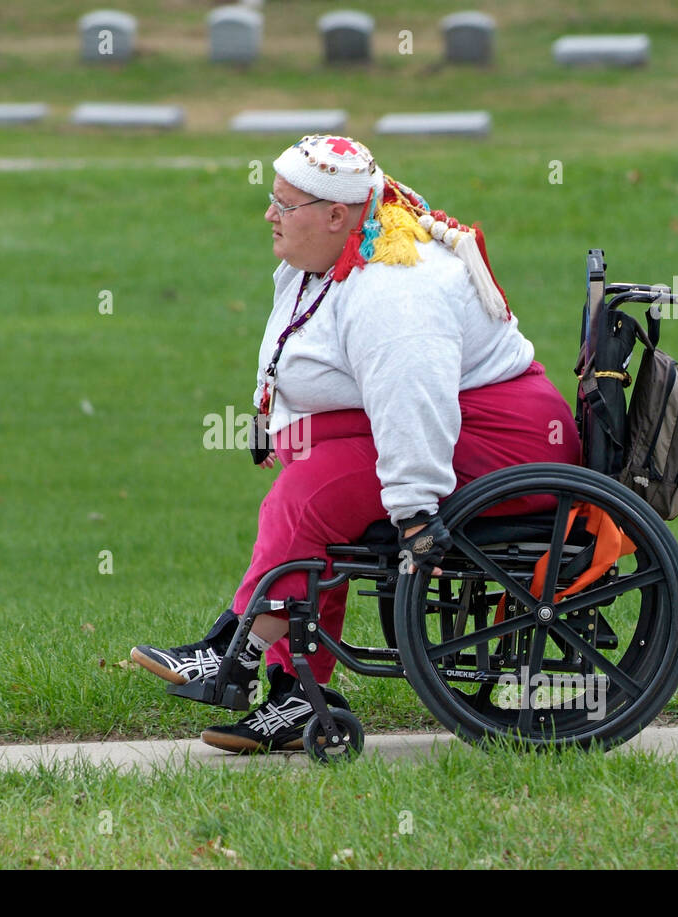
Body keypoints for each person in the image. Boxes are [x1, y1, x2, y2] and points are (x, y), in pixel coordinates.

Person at [131, 134, 581, 753]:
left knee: (308, 496)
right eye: (274, 199)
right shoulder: (333, 254)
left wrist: (416, 509)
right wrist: (278, 417)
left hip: (506, 443)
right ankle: (296, 691)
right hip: (457, 419)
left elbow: (412, 400)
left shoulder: (394, 290)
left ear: (336, 214)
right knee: (306, 468)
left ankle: (234, 650)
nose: (270, 214)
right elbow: (306, 347)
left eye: (285, 204)